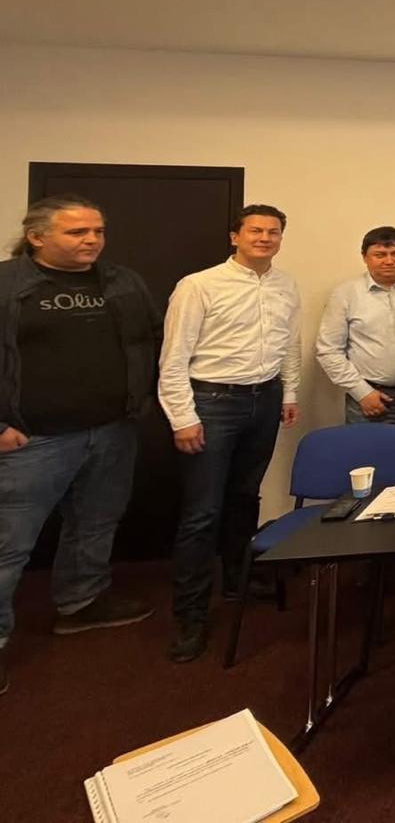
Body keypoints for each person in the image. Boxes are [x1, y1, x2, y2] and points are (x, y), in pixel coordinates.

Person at [0, 196, 161, 694]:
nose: (92, 240)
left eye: (98, 231)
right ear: (36, 237)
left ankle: (81, 602)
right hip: (31, 440)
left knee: (95, 523)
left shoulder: (123, 282)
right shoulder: (7, 285)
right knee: (8, 544)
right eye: (77, 232)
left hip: (112, 429)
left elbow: (151, 340)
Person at [160, 204, 301, 663]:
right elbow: (174, 357)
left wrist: (289, 392)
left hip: (265, 399)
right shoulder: (199, 285)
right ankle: (191, 616)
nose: (264, 238)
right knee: (202, 513)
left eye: (273, 232)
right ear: (234, 236)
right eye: (255, 230)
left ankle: (239, 583)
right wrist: (182, 416)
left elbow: (289, 343)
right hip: (213, 403)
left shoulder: (285, 285)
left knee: (245, 498)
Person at [315, 226, 395, 426]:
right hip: (372, 398)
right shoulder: (346, 294)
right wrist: (361, 392)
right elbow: (328, 351)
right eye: (380, 255)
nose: (389, 261)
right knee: (370, 448)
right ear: (364, 257)